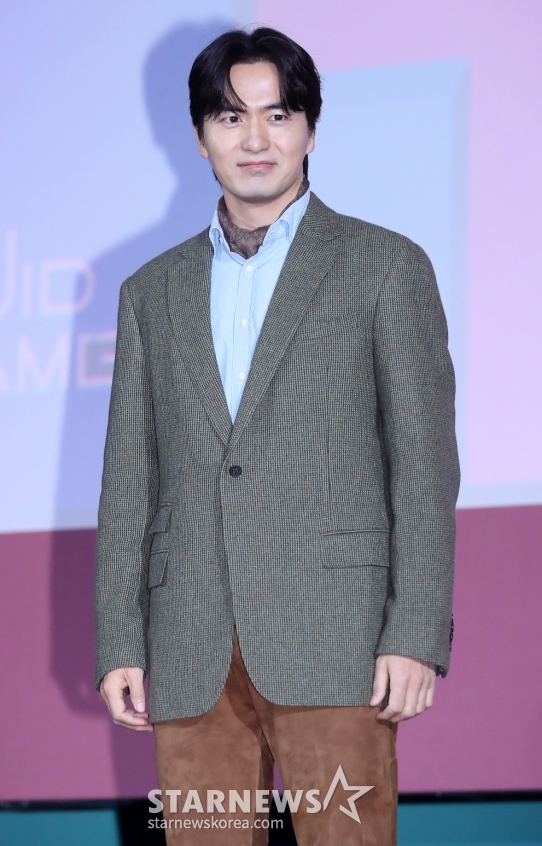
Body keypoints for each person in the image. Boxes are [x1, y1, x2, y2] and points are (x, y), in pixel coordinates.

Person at [95, 26, 459, 845]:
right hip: (189, 648)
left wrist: (415, 632)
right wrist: (119, 640)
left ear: (309, 130)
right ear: (200, 137)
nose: (254, 138)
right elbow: (128, 480)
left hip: (336, 642)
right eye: (231, 117)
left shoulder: (383, 267)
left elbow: (424, 467)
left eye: (278, 114)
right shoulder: (149, 292)